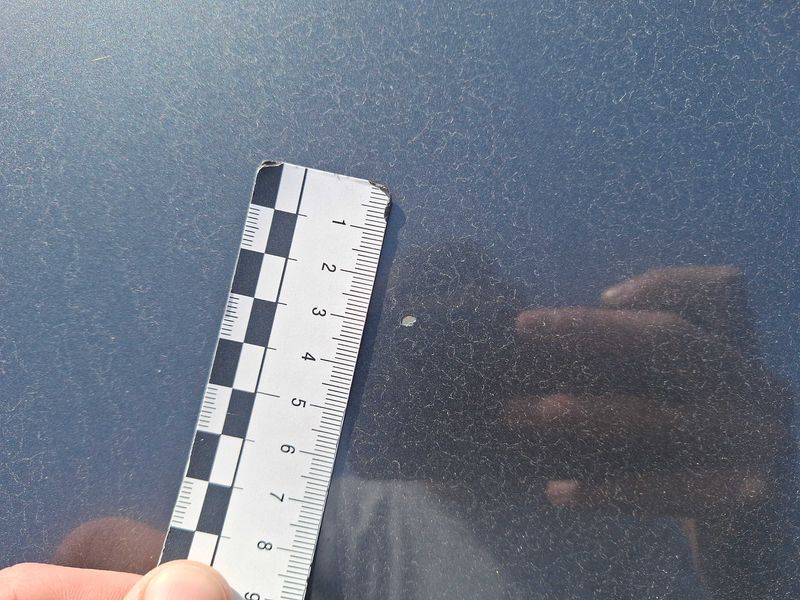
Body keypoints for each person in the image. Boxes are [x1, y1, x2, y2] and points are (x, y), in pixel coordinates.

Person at [2, 265, 797, 599]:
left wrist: (761, 508)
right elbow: (97, 551)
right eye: (422, 351)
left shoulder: (649, 482)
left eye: (481, 347)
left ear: (541, 348)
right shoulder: (313, 522)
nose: (454, 379)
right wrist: (156, 567)